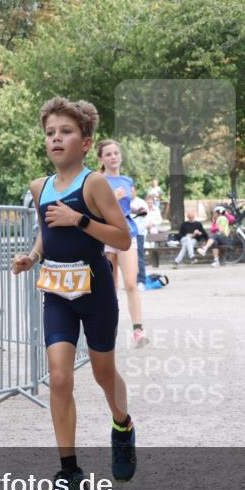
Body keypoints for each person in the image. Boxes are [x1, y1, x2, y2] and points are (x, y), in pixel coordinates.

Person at [10, 96, 135, 490]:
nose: (56, 139)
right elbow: (48, 232)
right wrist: (33, 255)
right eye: (50, 133)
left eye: (66, 132)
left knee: (103, 373)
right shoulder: (38, 187)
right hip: (57, 291)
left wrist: (79, 219)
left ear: (85, 142)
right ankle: (69, 472)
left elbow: (122, 238)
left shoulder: (94, 184)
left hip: (95, 286)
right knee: (59, 377)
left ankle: (122, 425)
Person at [97, 139, 149, 347]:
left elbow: (126, 207)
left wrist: (137, 210)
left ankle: (138, 331)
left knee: (131, 283)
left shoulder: (128, 181)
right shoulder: (97, 181)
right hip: (107, 235)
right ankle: (108, 330)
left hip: (127, 234)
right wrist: (111, 198)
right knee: (110, 287)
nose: (113, 157)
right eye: (108, 154)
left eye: (116, 153)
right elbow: (95, 209)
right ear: (101, 158)